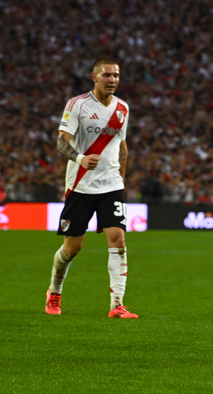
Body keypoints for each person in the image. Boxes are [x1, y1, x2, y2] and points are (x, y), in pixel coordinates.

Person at [45, 56, 138, 319]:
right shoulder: (77, 105)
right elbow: (61, 141)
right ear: (94, 77)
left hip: (111, 185)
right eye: (107, 75)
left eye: (116, 75)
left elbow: (122, 146)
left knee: (118, 240)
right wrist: (81, 158)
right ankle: (54, 291)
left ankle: (117, 304)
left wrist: (121, 178)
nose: (112, 80)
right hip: (81, 184)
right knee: (72, 248)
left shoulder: (123, 108)